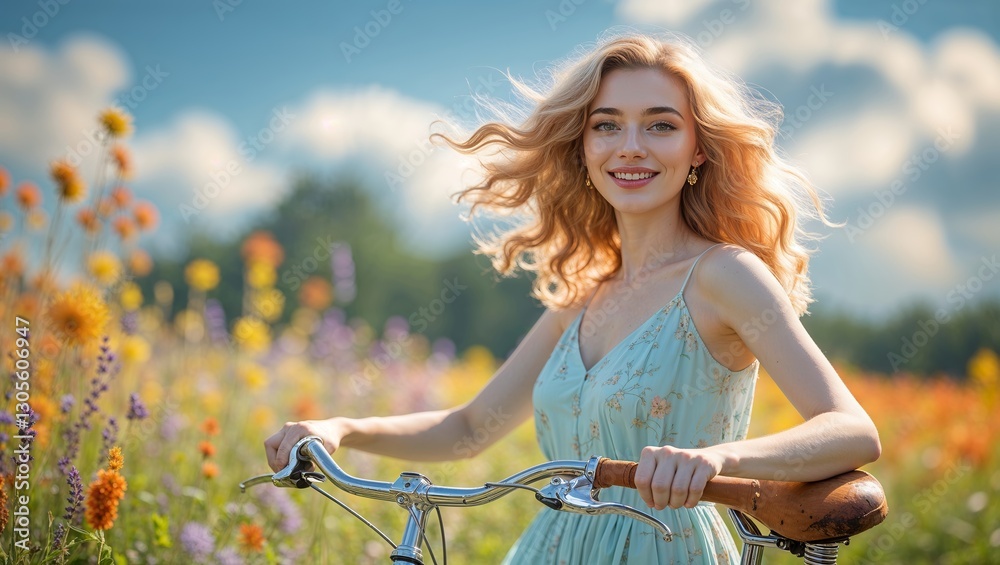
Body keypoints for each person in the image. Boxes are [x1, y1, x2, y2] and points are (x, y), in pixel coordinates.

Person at [265, 32, 881, 563]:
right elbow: (470, 427)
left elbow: (852, 430)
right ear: (583, 148)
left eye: (661, 125)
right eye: (606, 125)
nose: (630, 146)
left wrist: (715, 457)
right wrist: (340, 426)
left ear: (698, 149)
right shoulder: (584, 296)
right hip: (551, 548)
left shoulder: (726, 275)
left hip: (665, 546)